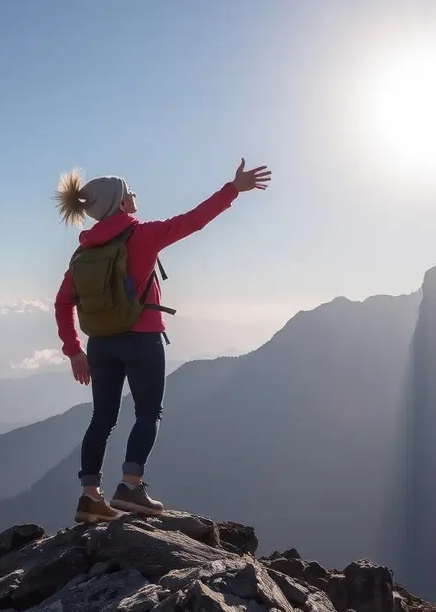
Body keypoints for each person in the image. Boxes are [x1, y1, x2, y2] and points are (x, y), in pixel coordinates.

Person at [52, 158, 272, 523]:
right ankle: (131, 486)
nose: (134, 196)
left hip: (100, 344)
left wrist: (74, 351)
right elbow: (194, 220)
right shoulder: (143, 235)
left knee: (102, 418)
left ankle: (90, 497)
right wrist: (233, 189)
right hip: (141, 339)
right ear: (120, 202)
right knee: (148, 412)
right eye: (129, 192)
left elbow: (62, 303)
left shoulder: (83, 252)